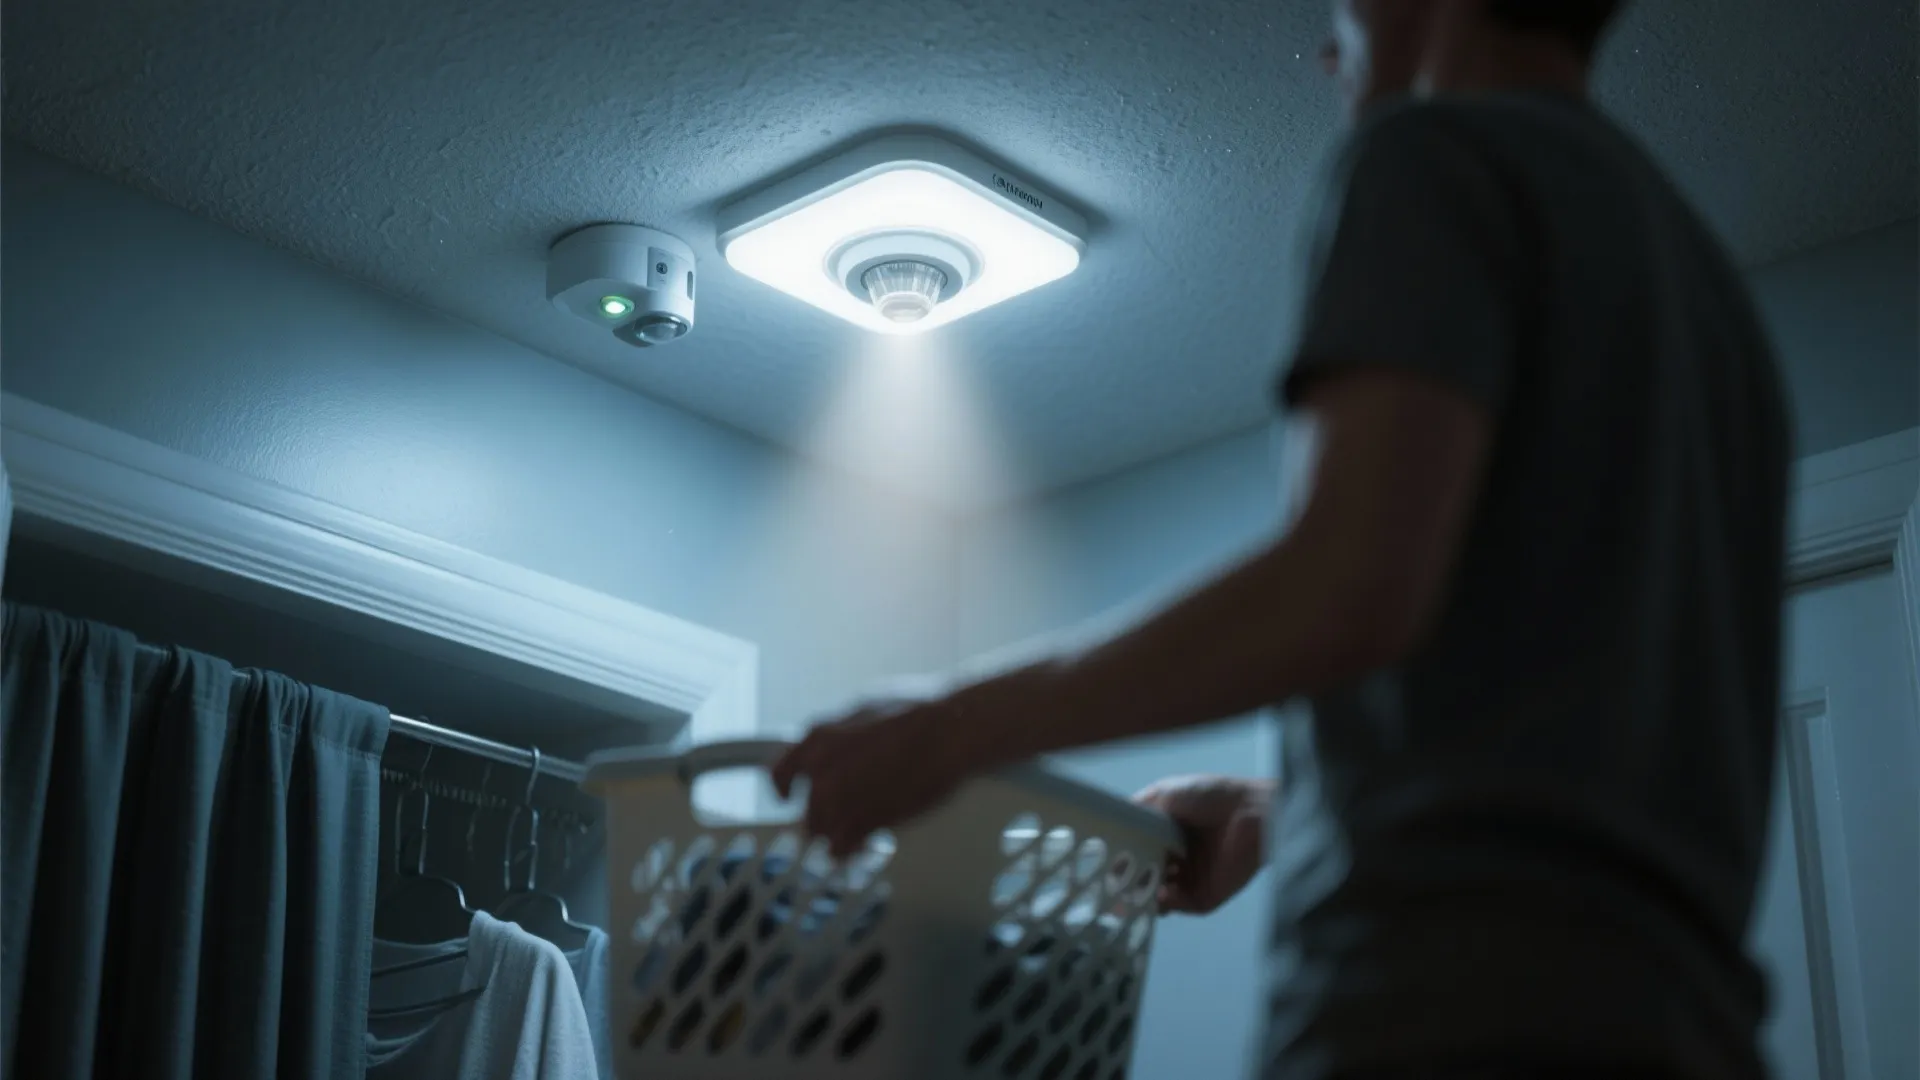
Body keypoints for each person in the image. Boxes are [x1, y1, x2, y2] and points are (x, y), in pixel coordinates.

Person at [772, 0, 1792, 1076]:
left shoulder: (1432, 155)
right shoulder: (1711, 303)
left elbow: (1350, 579)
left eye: (1341, 9)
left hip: (1446, 1025)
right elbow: (1570, 721)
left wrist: (950, 727)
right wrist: (1276, 815)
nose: (1327, 50)